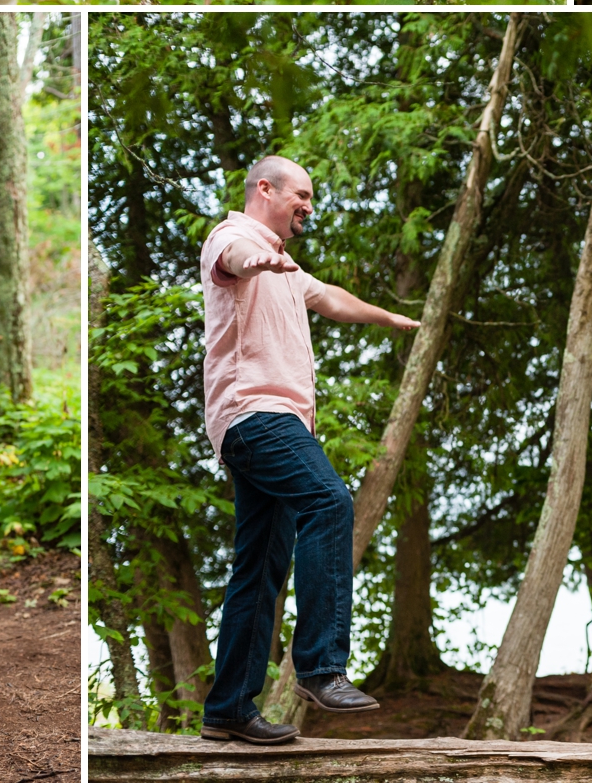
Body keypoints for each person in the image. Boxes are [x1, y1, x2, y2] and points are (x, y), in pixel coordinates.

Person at [197, 155, 421, 747]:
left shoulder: (289, 269)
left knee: (259, 568)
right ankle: (321, 668)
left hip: (267, 425)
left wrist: (390, 317)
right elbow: (234, 261)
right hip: (256, 415)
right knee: (329, 502)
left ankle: (227, 710)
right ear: (265, 189)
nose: (309, 205)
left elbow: (332, 299)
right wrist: (258, 259)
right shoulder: (235, 237)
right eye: (301, 194)